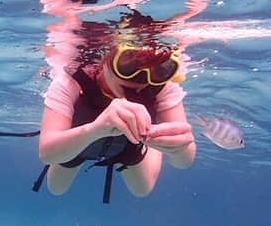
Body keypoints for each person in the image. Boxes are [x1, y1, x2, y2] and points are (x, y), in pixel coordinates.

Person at [38, 30, 196, 201]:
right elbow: (47, 154)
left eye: (160, 70)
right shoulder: (71, 80)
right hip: (76, 141)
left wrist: (178, 148)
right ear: (106, 59)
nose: (141, 79)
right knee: (56, 188)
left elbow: (184, 162)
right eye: (128, 63)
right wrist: (94, 130)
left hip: (131, 143)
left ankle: (149, 133)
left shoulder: (163, 87)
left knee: (142, 190)